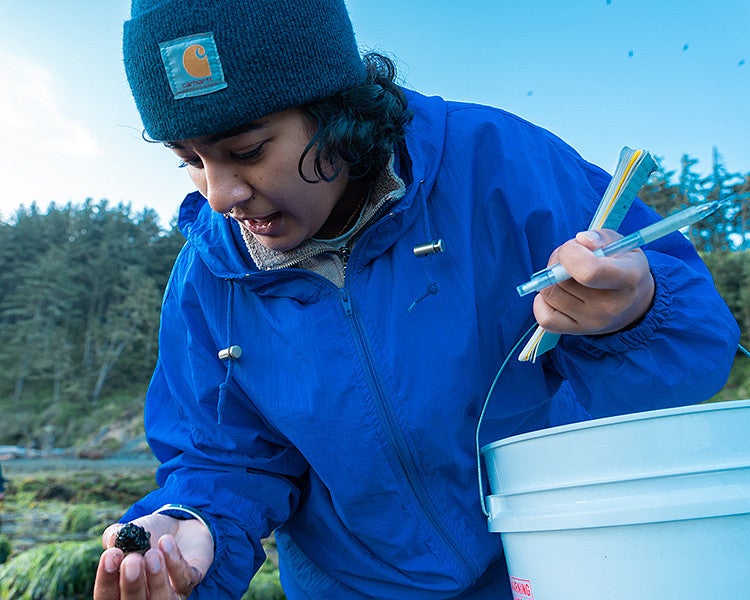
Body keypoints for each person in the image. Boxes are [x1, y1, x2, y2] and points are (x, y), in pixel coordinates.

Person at [94, 1, 740, 598]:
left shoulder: (500, 165)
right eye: (190, 160)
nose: (220, 194)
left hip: (556, 564)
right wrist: (193, 523)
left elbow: (694, 356)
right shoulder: (208, 278)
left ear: (336, 108)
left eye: (247, 151)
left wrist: (632, 316)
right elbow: (223, 455)